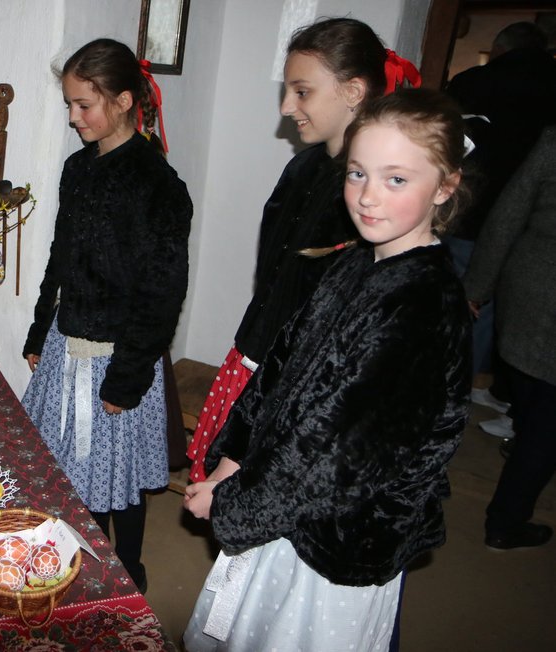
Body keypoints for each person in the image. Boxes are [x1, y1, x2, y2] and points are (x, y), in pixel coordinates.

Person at [182, 88, 472, 651]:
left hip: (336, 535)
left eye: (396, 180)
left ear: (444, 186)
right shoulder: (354, 262)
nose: (367, 197)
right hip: (281, 502)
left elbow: (332, 449)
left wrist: (234, 505)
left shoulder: (421, 307)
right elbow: (279, 366)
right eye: (358, 173)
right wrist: (228, 465)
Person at [186, 17, 421, 482]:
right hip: (260, 350)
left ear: (353, 91)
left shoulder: (369, 198)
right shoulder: (302, 168)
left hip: (310, 379)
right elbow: (273, 274)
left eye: (302, 91)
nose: (287, 106)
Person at [21, 38, 192, 593]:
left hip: (118, 358)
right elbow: (60, 254)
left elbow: (162, 292)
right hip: (66, 341)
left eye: (83, 106)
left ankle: (131, 568)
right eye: (69, 105)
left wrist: (130, 374)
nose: (73, 117)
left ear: (122, 100)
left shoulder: (156, 184)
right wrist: (39, 326)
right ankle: (77, 561)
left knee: (121, 477)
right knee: (69, 471)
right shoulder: (77, 169)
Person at [445, 21, 556, 437]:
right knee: (502, 307)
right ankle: (484, 387)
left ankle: (455, 385)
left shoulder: (475, 82)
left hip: (469, 209)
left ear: (498, 47)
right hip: (534, 224)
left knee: (464, 301)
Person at [464, 126, 556, 551]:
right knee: (544, 429)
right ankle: (506, 521)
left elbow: (507, 215)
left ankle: (522, 449)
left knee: (535, 408)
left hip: (529, 295)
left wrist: (476, 288)